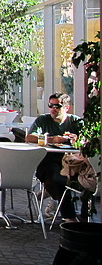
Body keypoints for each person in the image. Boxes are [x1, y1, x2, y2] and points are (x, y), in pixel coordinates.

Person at [25, 93, 84, 222]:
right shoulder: (43, 120)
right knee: (58, 179)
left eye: (57, 106)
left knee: (85, 180)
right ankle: (70, 217)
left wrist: (77, 139)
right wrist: (53, 139)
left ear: (67, 108)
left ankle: (85, 217)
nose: (53, 109)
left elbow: (87, 140)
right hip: (48, 159)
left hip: (72, 161)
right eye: (51, 105)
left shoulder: (75, 121)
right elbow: (29, 138)